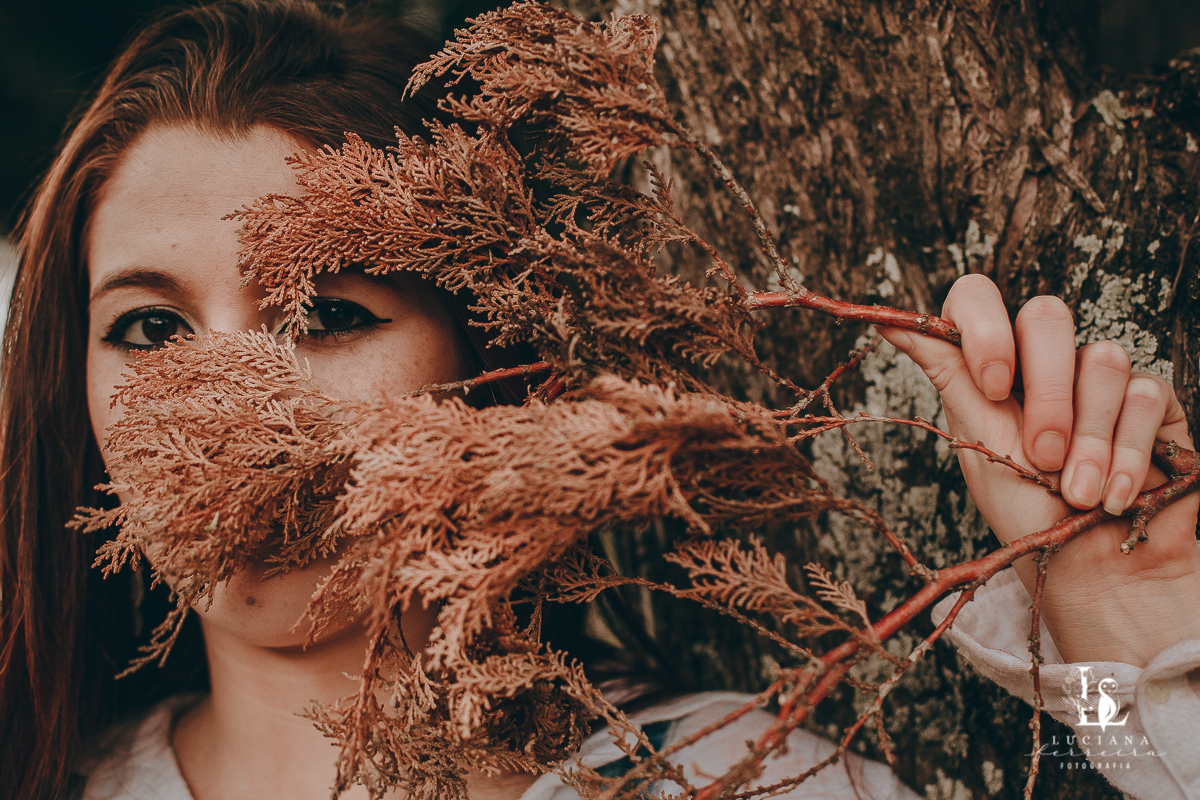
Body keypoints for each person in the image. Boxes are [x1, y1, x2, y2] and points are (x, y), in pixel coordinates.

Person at [0, 3, 1192, 800]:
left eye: (325, 312)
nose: (225, 404)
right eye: (148, 327)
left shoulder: (748, 771)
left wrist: (1128, 657)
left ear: (496, 368)